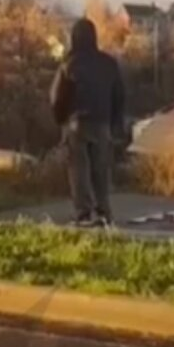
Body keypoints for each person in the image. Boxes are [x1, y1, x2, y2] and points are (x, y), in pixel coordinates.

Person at [50, 19, 125, 228]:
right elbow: (119, 95)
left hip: (77, 123)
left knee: (78, 169)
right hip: (102, 124)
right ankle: (104, 212)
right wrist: (115, 123)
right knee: (100, 169)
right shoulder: (109, 64)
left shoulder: (69, 63)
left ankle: (84, 214)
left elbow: (57, 97)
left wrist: (61, 120)